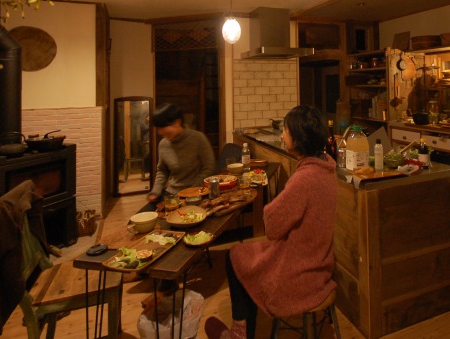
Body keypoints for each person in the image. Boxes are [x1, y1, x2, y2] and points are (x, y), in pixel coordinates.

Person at [204, 105, 337, 339]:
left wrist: (273, 205)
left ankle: (240, 334)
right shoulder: (326, 166)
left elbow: (273, 228)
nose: (282, 135)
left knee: (235, 256)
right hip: (319, 261)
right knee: (246, 255)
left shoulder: (305, 178)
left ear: (298, 139)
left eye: (285, 130)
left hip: (301, 272)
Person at [139, 103, 215, 212]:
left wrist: (190, 192)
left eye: (162, 127)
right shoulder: (163, 144)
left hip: (197, 193)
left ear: (177, 122)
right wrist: (156, 191)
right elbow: (162, 170)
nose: (160, 132)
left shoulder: (198, 139)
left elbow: (208, 168)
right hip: (171, 193)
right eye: (158, 128)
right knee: (141, 217)